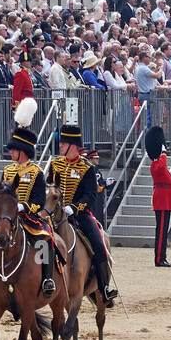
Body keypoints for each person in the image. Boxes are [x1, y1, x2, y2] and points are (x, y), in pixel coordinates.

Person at [0, 98, 55, 298]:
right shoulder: (7, 170)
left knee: (45, 239)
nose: (10, 152)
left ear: (23, 151)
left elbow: (38, 200)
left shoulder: (36, 172)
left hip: (26, 216)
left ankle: (47, 278)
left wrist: (24, 208)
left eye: (13, 150)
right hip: (7, 217)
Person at [48, 123, 119, 303]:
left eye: (63, 143)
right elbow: (48, 187)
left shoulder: (87, 167)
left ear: (72, 145)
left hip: (79, 215)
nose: (61, 146)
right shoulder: (55, 164)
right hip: (55, 215)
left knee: (99, 245)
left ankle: (104, 287)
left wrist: (74, 207)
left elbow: (91, 195)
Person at [147, 126, 171, 267]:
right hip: (163, 200)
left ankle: (162, 257)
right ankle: (159, 259)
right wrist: (163, 152)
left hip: (165, 199)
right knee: (161, 231)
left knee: (163, 231)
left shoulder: (157, 163)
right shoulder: (156, 164)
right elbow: (162, 166)